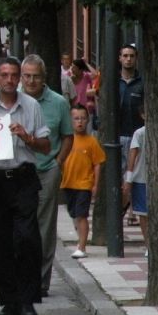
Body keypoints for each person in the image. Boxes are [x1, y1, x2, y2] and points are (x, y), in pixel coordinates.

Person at [0, 57, 50, 315]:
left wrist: (27, 137)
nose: (9, 80)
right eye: (4, 75)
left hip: (22, 177)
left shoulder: (31, 106)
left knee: (27, 238)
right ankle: (9, 300)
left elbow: (46, 145)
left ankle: (28, 300)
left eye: (14, 75)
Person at [19, 55, 73, 297]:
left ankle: (40, 282)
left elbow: (67, 136)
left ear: (44, 77)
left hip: (46, 170)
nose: (31, 81)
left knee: (44, 227)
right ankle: (18, 276)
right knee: (18, 226)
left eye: (36, 76)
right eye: (27, 76)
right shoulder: (13, 98)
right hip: (17, 170)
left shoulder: (58, 102)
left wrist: (58, 162)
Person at [60, 104, 106, 259]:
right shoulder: (65, 140)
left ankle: (82, 246)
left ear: (88, 120)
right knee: (74, 214)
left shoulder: (91, 141)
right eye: (76, 118)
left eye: (83, 118)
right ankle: (81, 239)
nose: (80, 122)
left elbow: (98, 164)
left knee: (81, 215)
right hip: (68, 183)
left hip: (84, 184)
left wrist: (95, 185)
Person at [118, 45, 143, 225]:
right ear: (119, 58)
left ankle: (132, 211)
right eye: (125, 56)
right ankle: (120, 208)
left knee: (134, 173)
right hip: (117, 135)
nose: (128, 59)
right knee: (120, 175)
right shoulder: (113, 81)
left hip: (136, 136)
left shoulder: (142, 82)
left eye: (131, 56)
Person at [122, 104, 148, 256]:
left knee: (145, 214)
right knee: (143, 214)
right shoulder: (139, 133)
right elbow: (133, 154)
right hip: (141, 177)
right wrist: (129, 178)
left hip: (142, 178)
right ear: (142, 115)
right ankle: (148, 245)